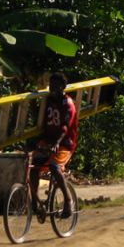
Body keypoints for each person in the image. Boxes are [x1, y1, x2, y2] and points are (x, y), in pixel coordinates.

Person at [29, 72, 79, 218]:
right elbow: (40, 120)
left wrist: (57, 143)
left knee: (55, 167)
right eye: (51, 85)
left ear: (63, 87)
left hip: (65, 143)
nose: (53, 88)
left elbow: (66, 126)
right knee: (34, 167)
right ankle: (34, 202)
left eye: (57, 85)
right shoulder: (48, 101)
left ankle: (68, 202)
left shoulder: (68, 103)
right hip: (48, 141)